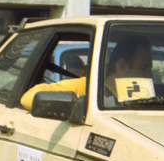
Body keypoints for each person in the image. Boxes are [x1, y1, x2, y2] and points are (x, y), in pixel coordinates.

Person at [20, 37, 152, 110]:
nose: (149, 75)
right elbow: (29, 97)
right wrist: (75, 102)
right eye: (144, 68)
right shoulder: (88, 86)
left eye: (150, 69)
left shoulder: (147, 94)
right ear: (121, 65)